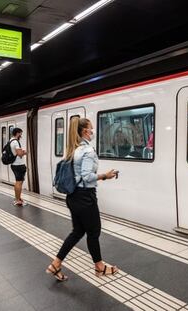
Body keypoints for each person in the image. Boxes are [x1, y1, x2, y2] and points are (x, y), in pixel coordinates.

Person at [46, 117, 119, 281]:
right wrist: (105, 176)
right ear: (85, 131)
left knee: (78, 231)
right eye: (91, 129)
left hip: (73, 197)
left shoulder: (73, 149)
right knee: (94, 232)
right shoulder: (88, 151)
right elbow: (87, 177)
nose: (92, 132)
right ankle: (99, 267)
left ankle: (56, 264)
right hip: (85, 197)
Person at [10, 128, 27, 206]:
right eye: (20, 133)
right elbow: (20, 154)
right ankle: (17, 200)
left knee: (18, 182)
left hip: (14, 164)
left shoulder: (11, 141)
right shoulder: (16, 142)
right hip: (19, 165)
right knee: (19, 182)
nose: (21, 135)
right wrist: (25, 152)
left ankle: (18, 198)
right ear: (17, 133)